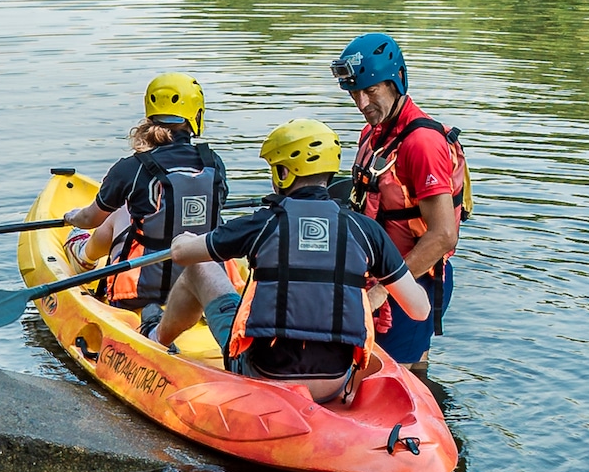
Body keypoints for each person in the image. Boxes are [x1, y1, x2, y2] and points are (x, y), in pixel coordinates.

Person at [148, 119, 430, 403]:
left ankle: (155, 339)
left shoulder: (262, 223)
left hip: (264, 374)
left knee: (200, 266)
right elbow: (419, 310)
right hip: (335, 382)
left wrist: (182, 238)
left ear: (283, 173)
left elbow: (183, 254)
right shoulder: (366, 230)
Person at [330, 33, 471, 370]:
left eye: (371, 91)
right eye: (355, 93)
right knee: (411, 375)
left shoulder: (421, 143)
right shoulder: (374, 134)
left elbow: (443, 235)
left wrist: (384, 290)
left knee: (391, 384)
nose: (362, 104)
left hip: (412, 281)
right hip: (379, 277)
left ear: (395, 82)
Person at [58, 72, 228, 312]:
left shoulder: (132, 168)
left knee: (123, 210)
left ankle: (83, 255)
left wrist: (71, 217)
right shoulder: (214, 164)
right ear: (196, 115)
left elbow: (89, 220)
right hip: (207, 287)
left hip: (141, 292)